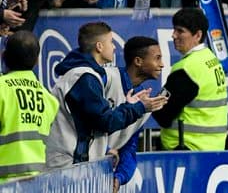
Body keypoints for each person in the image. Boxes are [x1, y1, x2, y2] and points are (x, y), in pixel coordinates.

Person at [45, 21, 166, 168]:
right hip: (66, 165)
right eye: (111, 42)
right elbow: (104, 121)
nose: (114, 47)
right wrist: (137, 108)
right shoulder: (84, 77)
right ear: (99, 46)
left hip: (76, 164)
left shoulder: (89, 75)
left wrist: (132, 106)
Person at [153, 7, 228, 151]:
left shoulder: (187, 68)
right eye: (174, 30)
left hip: (186, 151)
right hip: (213, 148)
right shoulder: (211, 59)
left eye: (180, 31)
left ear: (198, 35)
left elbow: (162, 113)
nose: (174, 35)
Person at [0, 31, 58, 181]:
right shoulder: (49, 99)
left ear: (3, 56)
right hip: (34, 185)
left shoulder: (2, 89)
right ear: (37, 60)